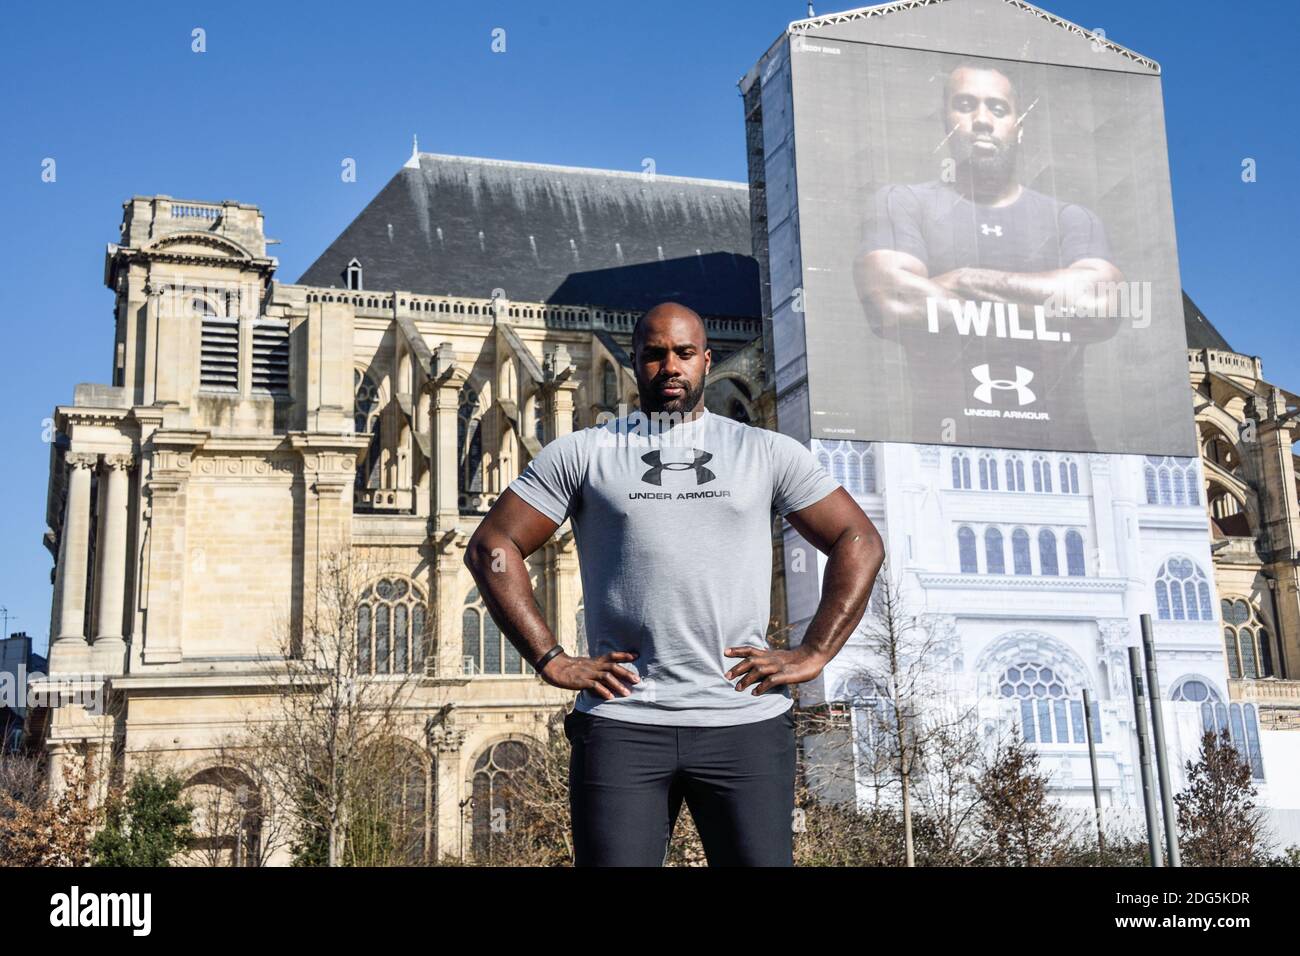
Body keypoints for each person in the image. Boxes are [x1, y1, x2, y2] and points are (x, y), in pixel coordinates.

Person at [464, 301, 884, 866]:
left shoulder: (763, 451)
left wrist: (814, 653)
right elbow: (493, 545)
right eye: (655, 354)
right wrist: (551, 659)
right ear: (633, 363)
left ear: (707, 360)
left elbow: (859, 541)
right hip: (622, 725)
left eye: (684, 353)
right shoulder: (584, 453)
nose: (671, 366)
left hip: (744, 723)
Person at [853, 61, 1126, 447]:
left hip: (1068, 460)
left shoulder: (1070, 219)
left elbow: (1102, 302)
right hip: (942, 456)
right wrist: (1047, 303)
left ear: (1019, 125)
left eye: (998, 109)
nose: (982, 120)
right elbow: (893, 302)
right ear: (944, 121)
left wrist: (963, 280)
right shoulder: (903, 202)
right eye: (965, 105)